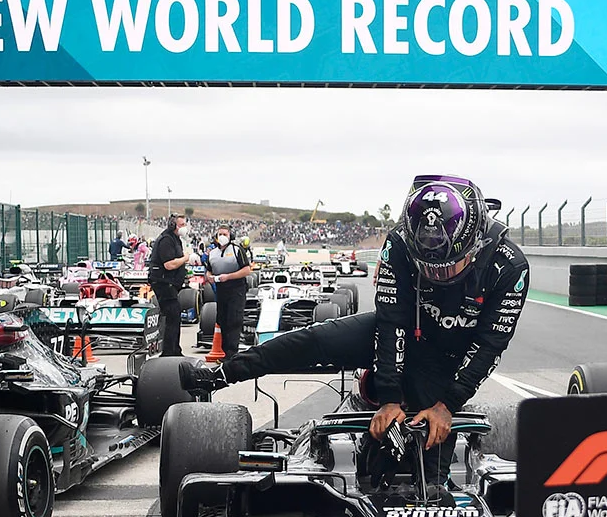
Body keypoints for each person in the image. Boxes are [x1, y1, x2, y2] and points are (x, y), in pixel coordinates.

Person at [188, 175, 528, 450]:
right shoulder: (399, 244)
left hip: (448, 357)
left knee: (426, 446)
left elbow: (490, 346)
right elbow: (391, 322)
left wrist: (448, 405)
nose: (436, 275)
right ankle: (222, 374)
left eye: (447, 267)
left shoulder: (510, 268)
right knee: (314, 339)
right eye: (427, 267)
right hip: (403, 331)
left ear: (475, 245)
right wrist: (390, 397)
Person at [202, 226, 254, 354]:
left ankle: (232, 352)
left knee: (234, 320)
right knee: (222, 320)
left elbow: (246, 270)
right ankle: (226, 352)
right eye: (220, 234)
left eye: (225, 234)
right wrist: (209, 277)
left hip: (236, 288)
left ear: (230, 235)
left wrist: (229, 276)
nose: (222, 237)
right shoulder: (212, 253)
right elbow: (208, 270)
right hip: (221, 289)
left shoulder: (237, 250)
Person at [147, 215, 193, 356]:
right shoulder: (166, 240)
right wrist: (185, 258)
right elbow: (169, 264)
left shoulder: (175, 239)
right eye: (181, 224)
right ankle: (169, 352)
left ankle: (174, 350)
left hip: (171, 284)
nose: (184, 227)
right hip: (164, 283)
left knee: (174, 316)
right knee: (172, 315)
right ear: (173, 225)